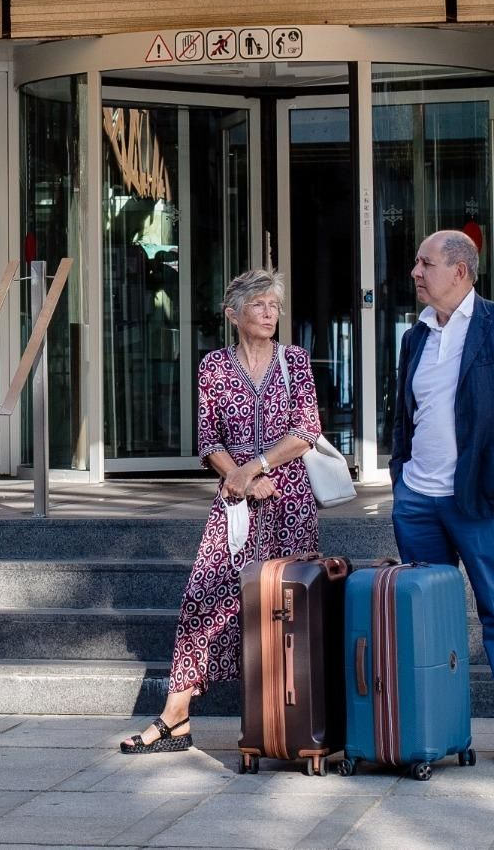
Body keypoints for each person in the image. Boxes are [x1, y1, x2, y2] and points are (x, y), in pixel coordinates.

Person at [120, 268, 322, 754]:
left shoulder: (295, 361)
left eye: (274, 305)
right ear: (234, 314)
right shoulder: (213, 366)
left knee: (286, 612)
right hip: (235, 506)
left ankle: (288, 726)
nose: (270, 313)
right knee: (204, 600)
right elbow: (208, 441)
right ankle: (176, 718)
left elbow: (307, 429)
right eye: (259, 306)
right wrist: (243, 480)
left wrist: (255, 468)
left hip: (289, 503)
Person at [389, 230, 494, 765]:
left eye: (424, 263)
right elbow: (403, 418)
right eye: (416, 263)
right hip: (419, 502)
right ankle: (436, 727)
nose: (415, 272)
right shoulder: (415, 336)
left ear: (459, 270)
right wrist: (400, 477)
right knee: (424, 617)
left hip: (481, 500)